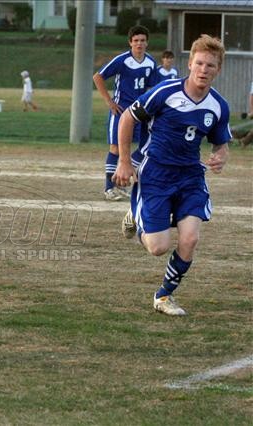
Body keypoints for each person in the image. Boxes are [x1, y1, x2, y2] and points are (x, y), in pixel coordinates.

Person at [112, 34, 231, 316]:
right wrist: (124, 162)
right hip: (156, 174)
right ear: (190, 64)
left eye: (210, 65)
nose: (203, 69)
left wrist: (220, 156)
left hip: (191, 178)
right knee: (158, 247)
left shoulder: (218, 106)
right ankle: (136, 215)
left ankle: (164, 295)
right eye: (199, 63)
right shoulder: (165, 92)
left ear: (218, 70)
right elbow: (127, 117)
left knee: (190, 239)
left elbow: (221, 143)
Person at [93, 25, 157, 201]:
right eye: (136, 40)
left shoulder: (151, 62)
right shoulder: (122, 60)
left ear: (147, 43)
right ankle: (109, 188)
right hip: (121, 110)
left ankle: (120, 184)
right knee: (116, 148)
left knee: (139, 147)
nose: (139, 44)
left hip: (139, 112)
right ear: (130, 42)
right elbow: (98, 77)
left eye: (142, 40)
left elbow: (152, 87)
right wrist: (109, 101)